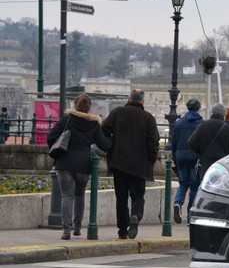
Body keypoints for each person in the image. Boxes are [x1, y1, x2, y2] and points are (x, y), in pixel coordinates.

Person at [47, 94, 112, 240]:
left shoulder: (67, 119)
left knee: (66, 196)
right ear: (89, 107)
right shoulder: (94, 124)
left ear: (75, 105)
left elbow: (51, 135)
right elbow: (105, 145)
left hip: (64, 162)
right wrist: (113, 138)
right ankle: (77, 227)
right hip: (83, 164)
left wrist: (56, 150)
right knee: (79, 195)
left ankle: (66, 230)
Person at [102, 89, 160, 240]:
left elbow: (103, 131)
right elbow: (153, 143)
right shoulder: (149, 118)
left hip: (119, 163)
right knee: (138, 196)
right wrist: (150, 161)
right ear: (142, 102)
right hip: (139, 166)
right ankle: (135, 216)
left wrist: (110, 146)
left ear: (128, 99)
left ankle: (122, 230)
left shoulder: (117, 112)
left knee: (121, 198)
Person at [172, 98, 204, 224]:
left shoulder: (179, 123)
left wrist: (175, 159)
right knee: (195, 186)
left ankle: (178, 203)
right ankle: (190, 215)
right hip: (195, 157)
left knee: (183, 183)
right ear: (198, 108)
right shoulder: (201, 124)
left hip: (180, 157)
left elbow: (174, 143)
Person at [189, 103, 229, 180]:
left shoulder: (202, 126)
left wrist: (201, 151)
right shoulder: (228, 129)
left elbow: (191, 142)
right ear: (224, 114)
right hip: (221, 165)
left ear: (212, 112)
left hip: (206, 164)